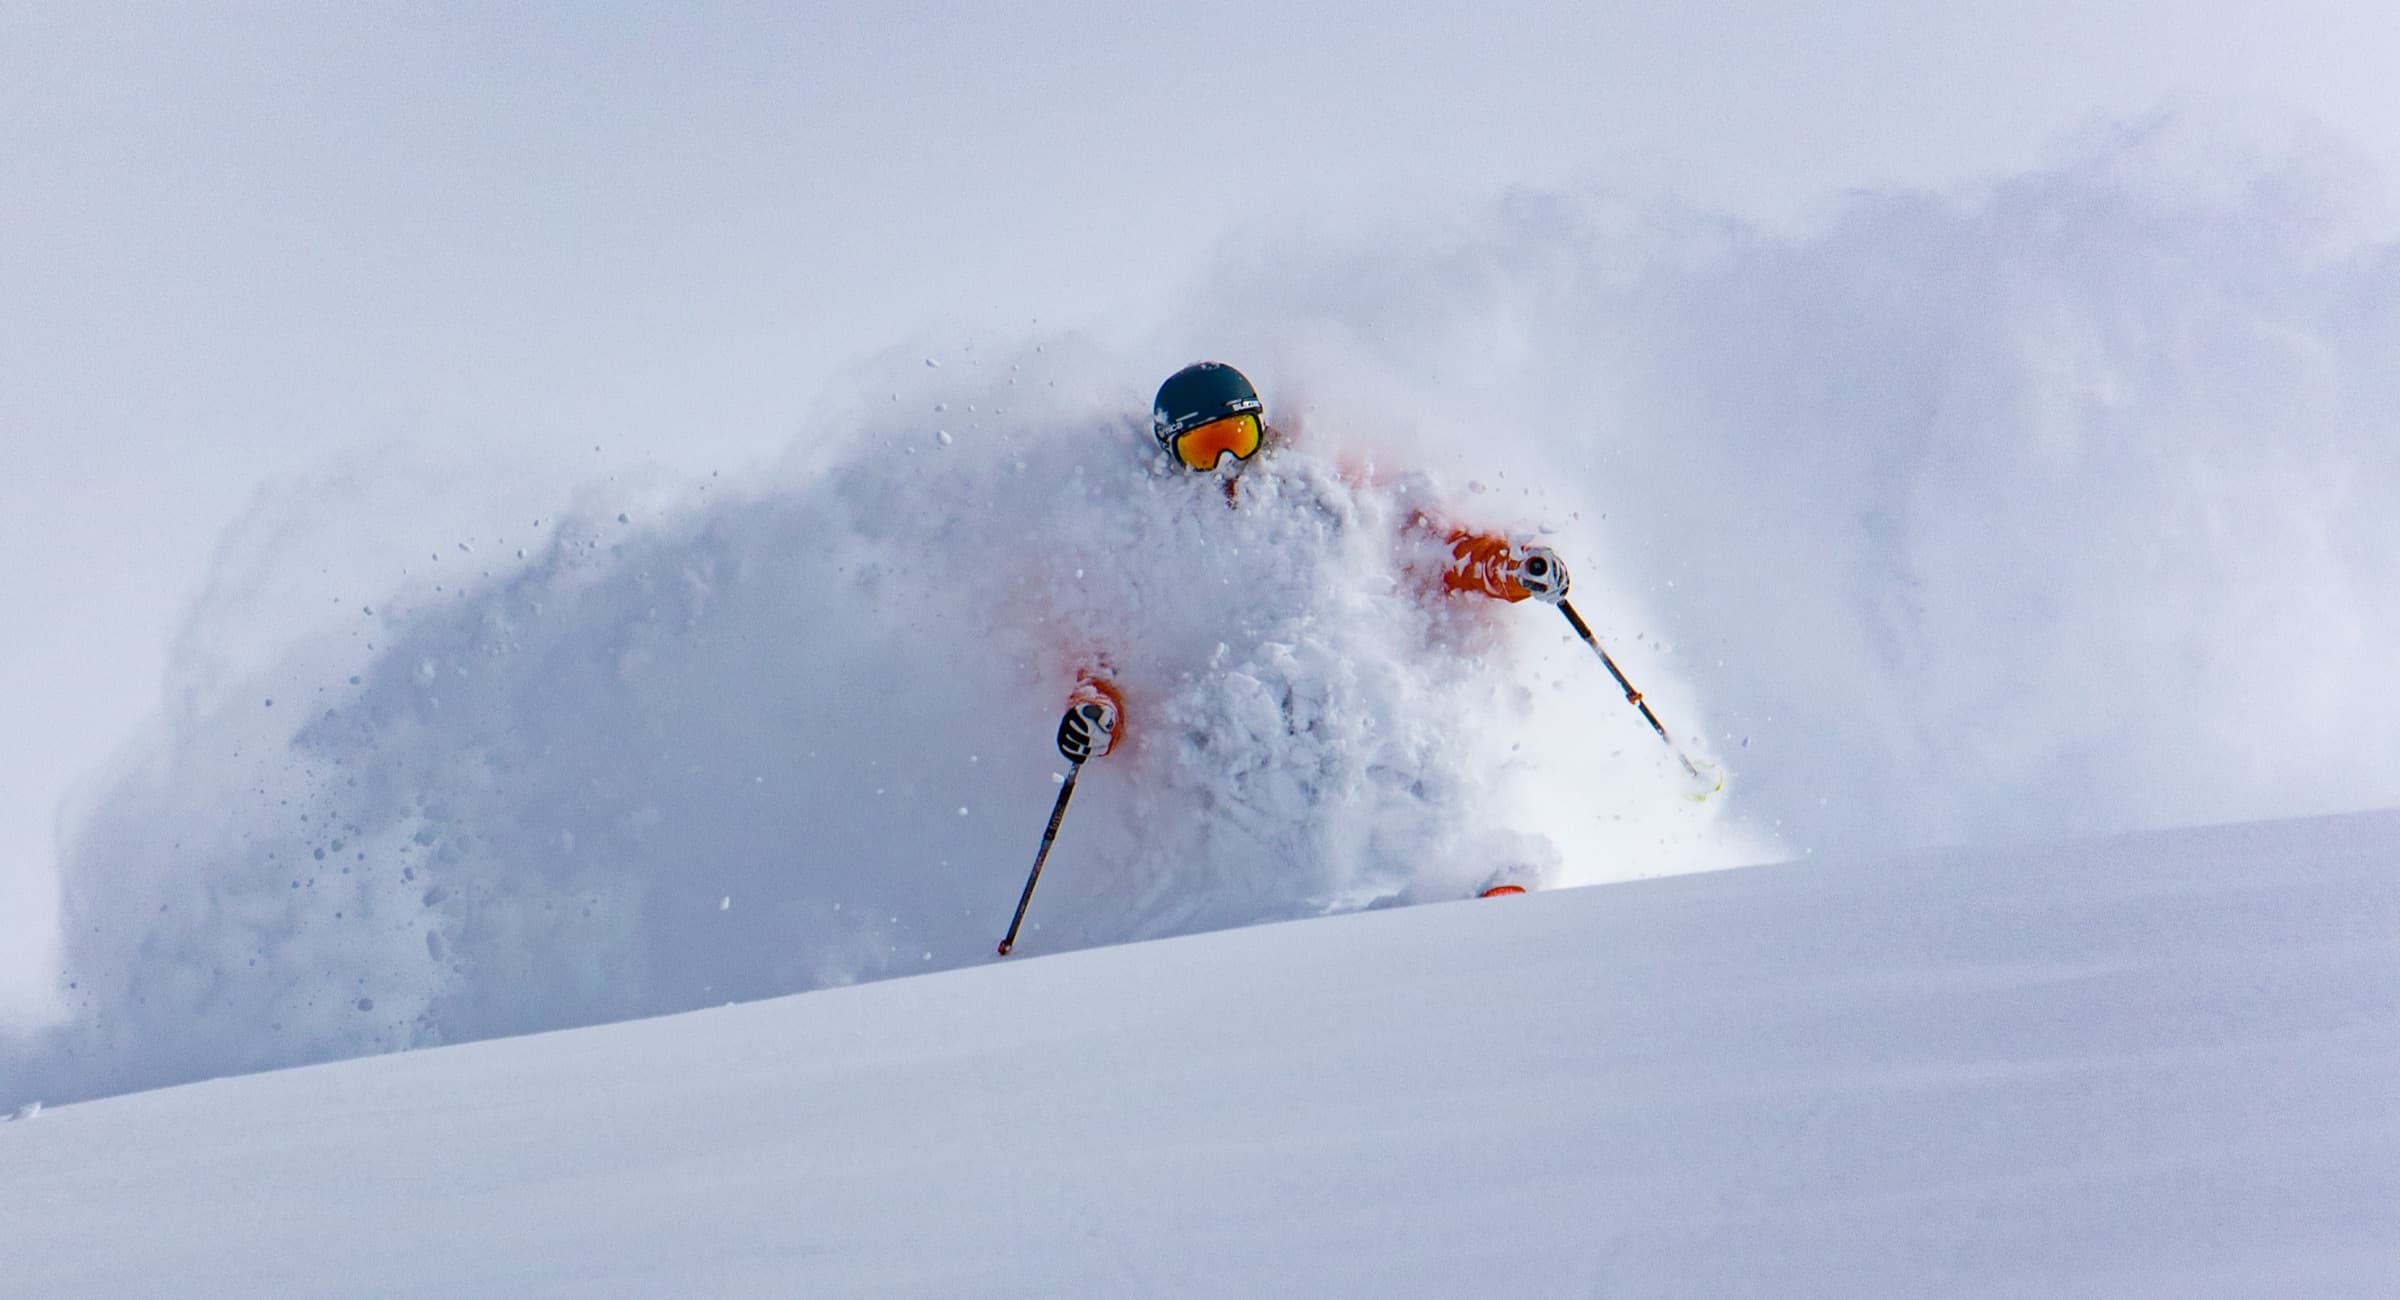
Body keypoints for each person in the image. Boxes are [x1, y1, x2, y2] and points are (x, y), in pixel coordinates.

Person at [1054, 360, 1571, 764]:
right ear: (1172, 454)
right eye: (1204, 449)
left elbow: (1426, 548)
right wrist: (1096, 714)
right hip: (1232, 743)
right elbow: (1111, 657)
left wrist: (1509, 570)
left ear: (1261, 428)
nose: (1228, 466)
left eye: (1238, 439)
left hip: (1359, 711)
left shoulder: (1320, 494)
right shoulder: (1154, 545)